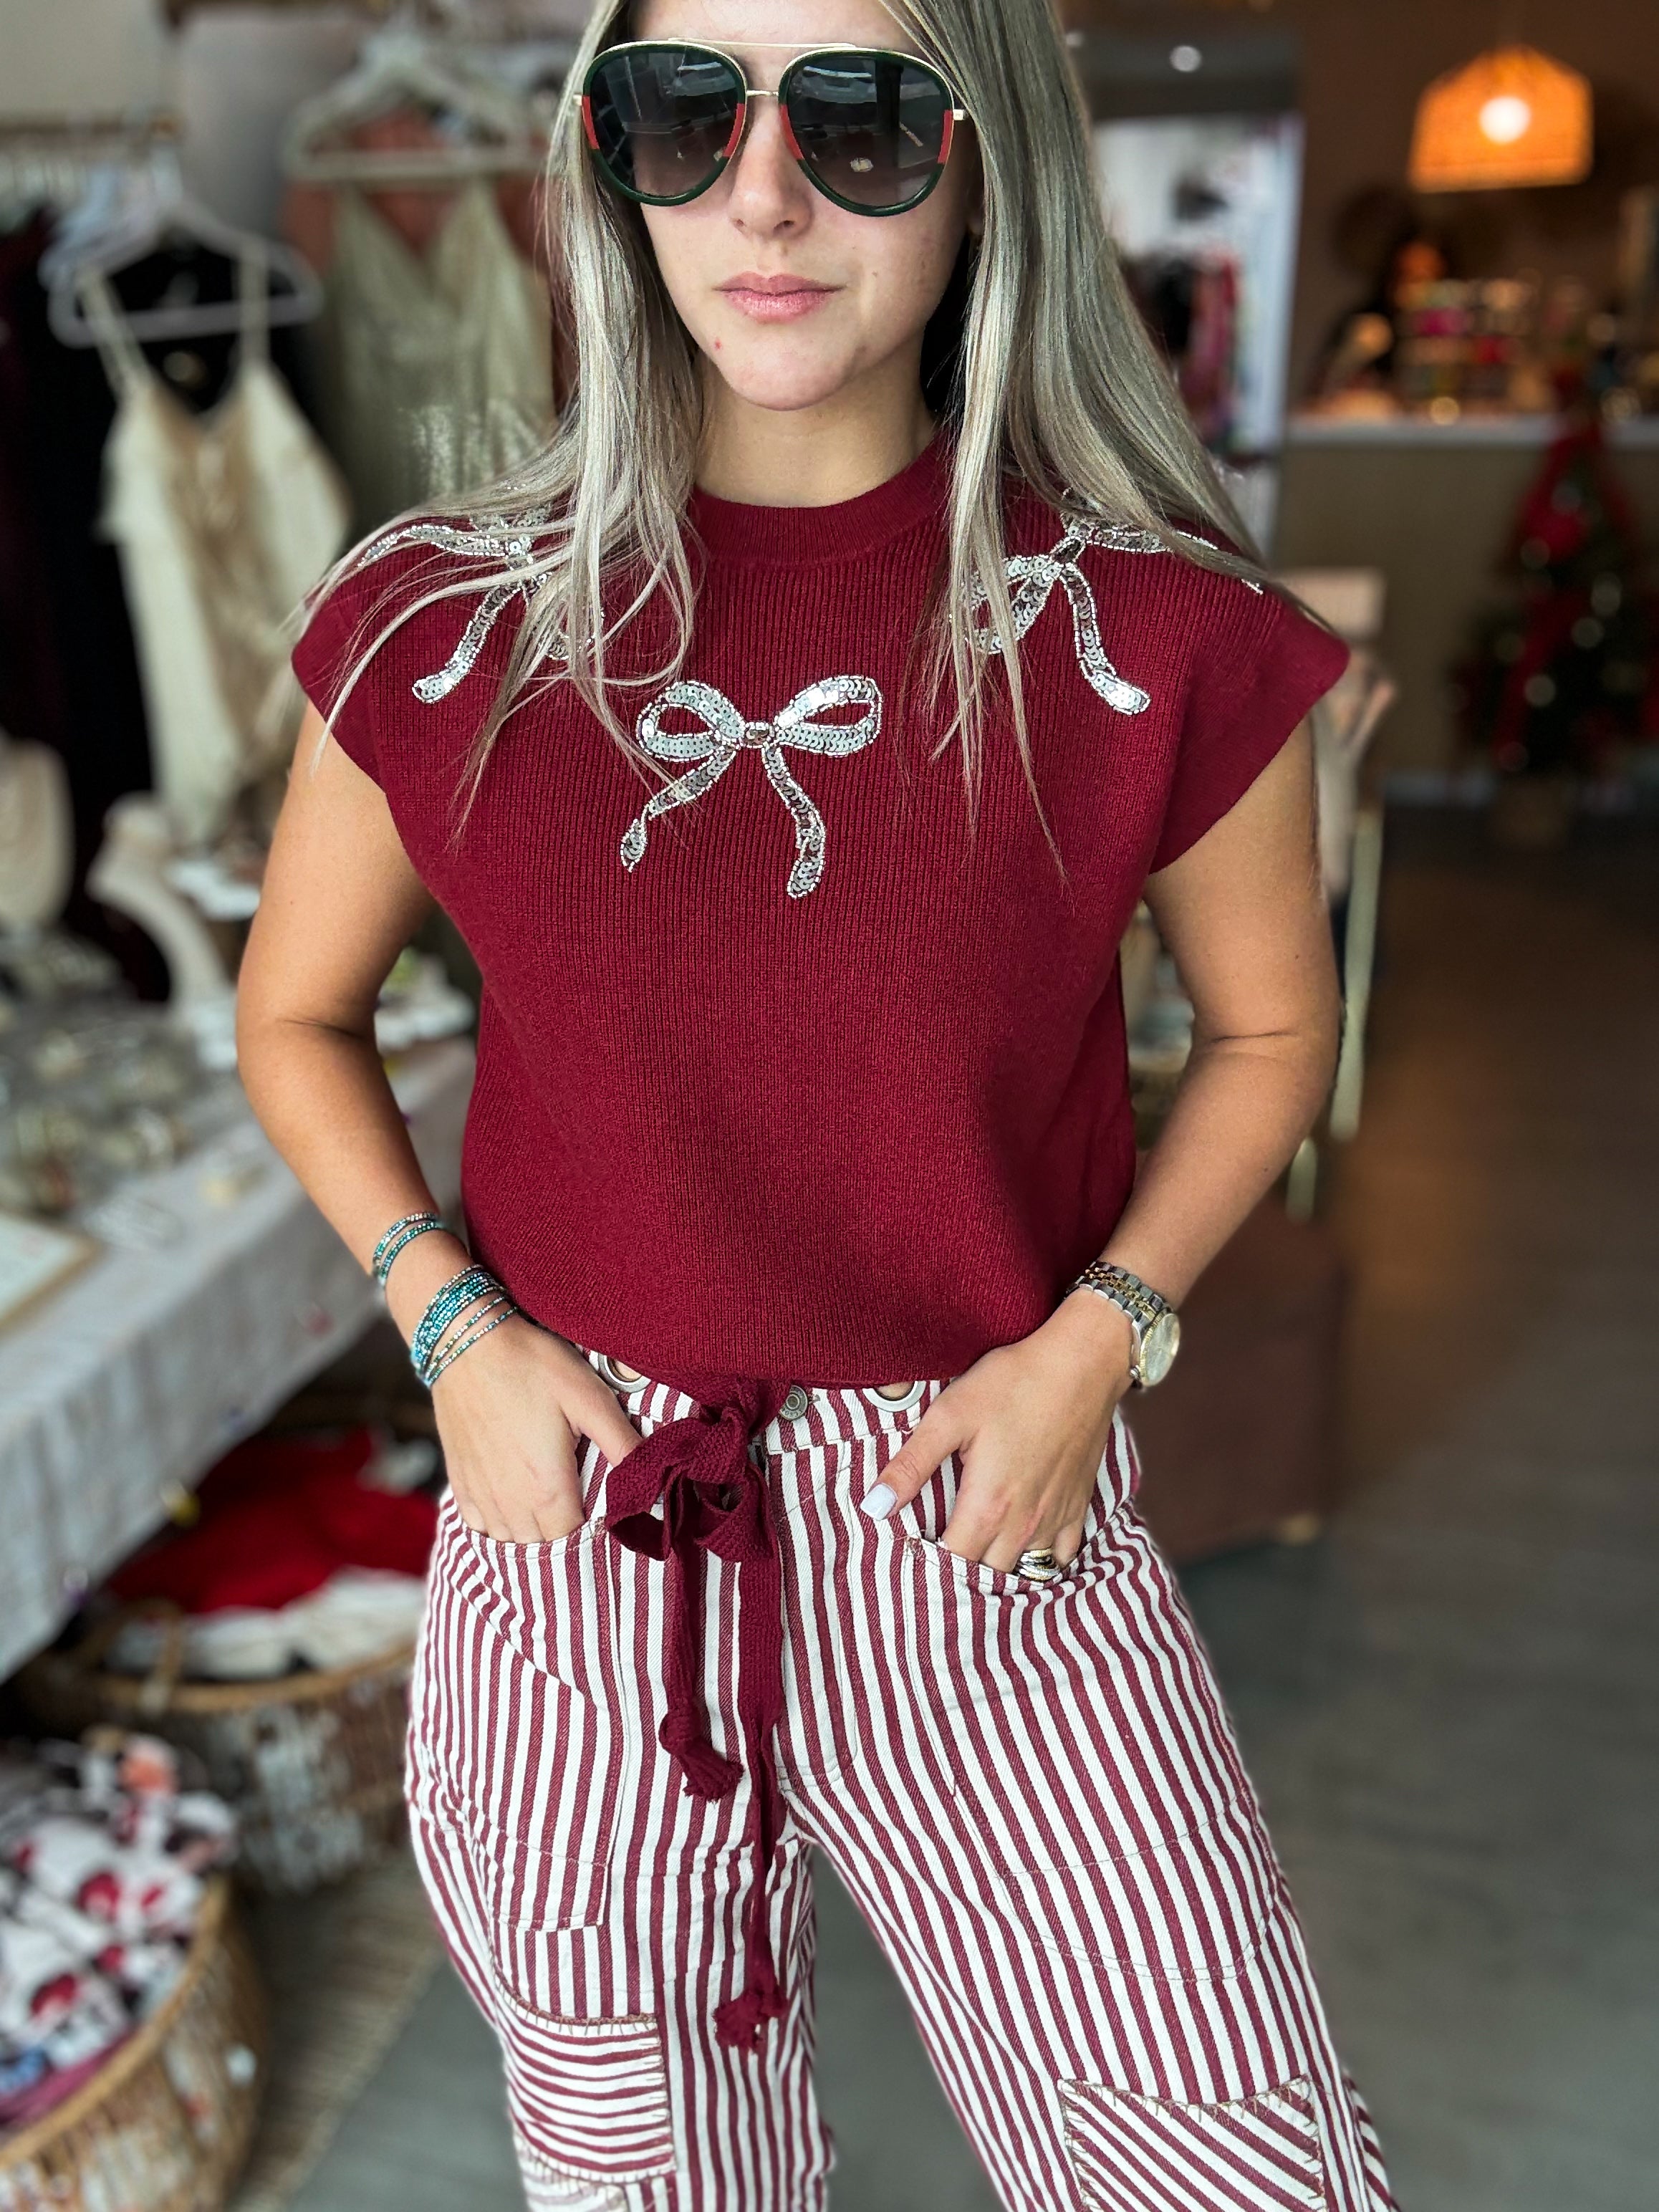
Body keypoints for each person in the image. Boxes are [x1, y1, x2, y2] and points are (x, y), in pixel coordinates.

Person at [238, 1, 1398, 2205]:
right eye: (681, 115)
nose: (759, 195)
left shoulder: (1148, 635)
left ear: (984, 161)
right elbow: (294, 1016)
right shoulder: (437, 627)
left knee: (1219, 2152)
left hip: (989, 1505)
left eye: (860, 120)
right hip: (582, 1506)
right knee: (643, 2163)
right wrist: (447, 1329)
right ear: (606, 161)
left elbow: (1270, 1035)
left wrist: (1100, 1341)